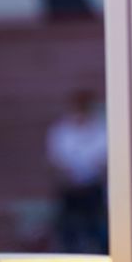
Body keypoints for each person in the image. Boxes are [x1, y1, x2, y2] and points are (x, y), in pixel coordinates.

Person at [45, 89, 108, 253]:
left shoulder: (101, 130)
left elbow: (104, 161)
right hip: (70, 189)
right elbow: (56, 160)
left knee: (98, 229)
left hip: (93, 188)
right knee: (69, 231)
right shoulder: (62, 131)